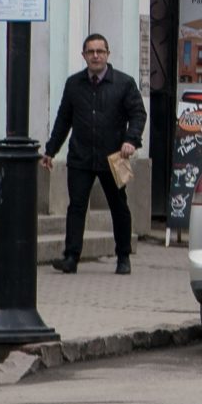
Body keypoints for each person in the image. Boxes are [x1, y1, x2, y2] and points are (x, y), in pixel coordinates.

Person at [41, 33, 144, 275]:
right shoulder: (74, 84)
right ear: (84, 56)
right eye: (91, 52)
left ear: (108, 54)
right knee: (76, 207)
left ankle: (123, 256)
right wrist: (50, 150)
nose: (95, 56)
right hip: (81, 157)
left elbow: (138, 114)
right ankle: (71, 257)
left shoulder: (124, 83)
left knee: (119, 207)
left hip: (114, 157)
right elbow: (64, 119)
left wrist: (131, 140)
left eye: (100, 51)